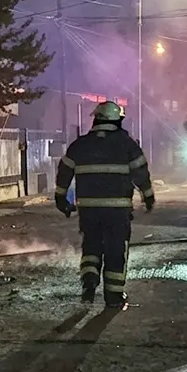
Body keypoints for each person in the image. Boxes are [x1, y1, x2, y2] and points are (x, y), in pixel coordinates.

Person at [54, 101, 154, 309]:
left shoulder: (80, 144)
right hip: (117, 210)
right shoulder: (127, 144)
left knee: (91, 245)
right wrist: (148, 196)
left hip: (89, 209)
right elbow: (140, 172)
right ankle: (114, 297)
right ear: (118, 120)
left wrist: (61, 198)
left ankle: (89, 284)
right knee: (116, 249)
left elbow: (64, 170)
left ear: (96, 118)